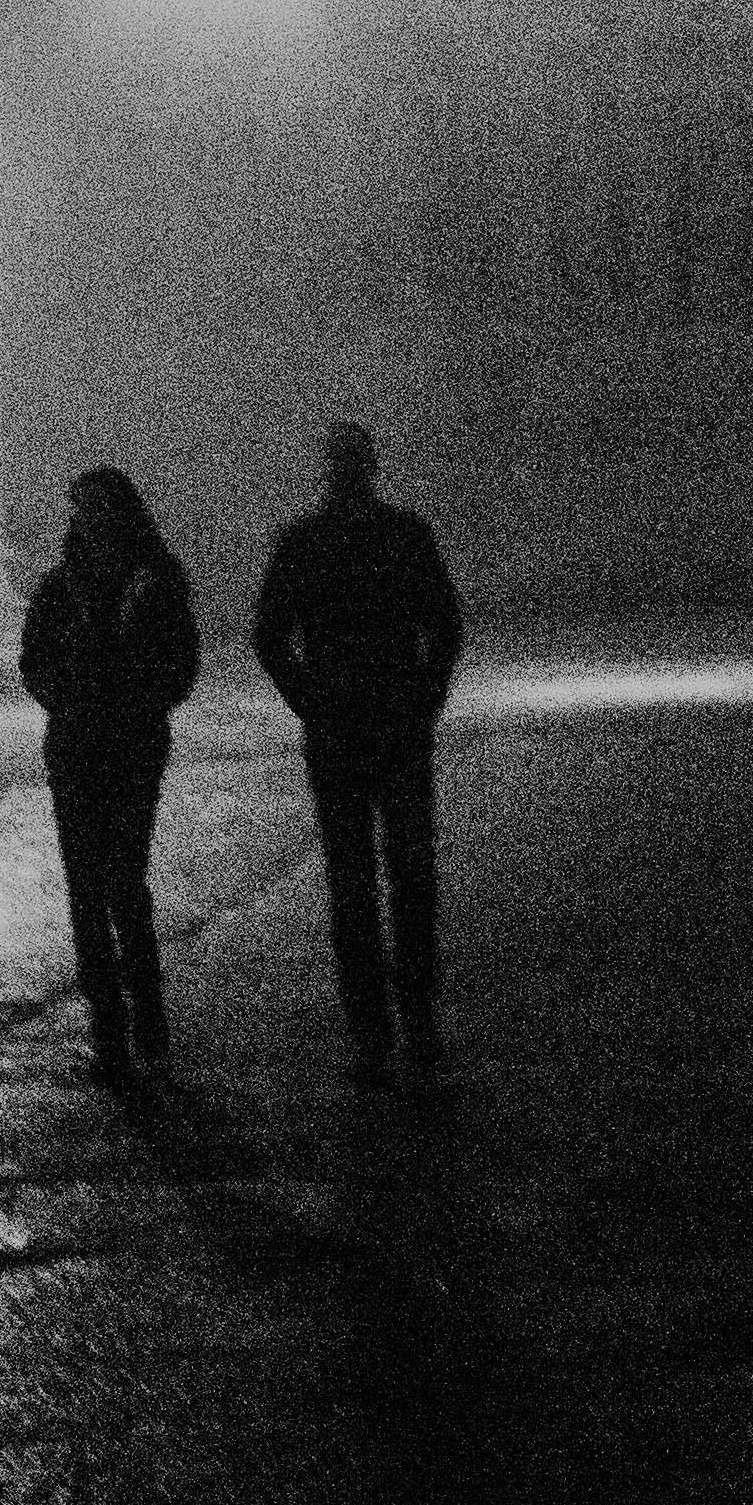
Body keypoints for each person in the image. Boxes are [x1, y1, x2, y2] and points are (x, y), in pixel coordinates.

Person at [251, 417, 464, 1077]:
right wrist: (425, 697)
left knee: (352, 881)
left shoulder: (303, 541)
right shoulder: (405, 535)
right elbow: (445, 623)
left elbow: (268, 634)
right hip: (396, 723)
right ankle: (418, 1022)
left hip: (338, 726)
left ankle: (370, 1033)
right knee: (410, 876)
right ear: (373, 467)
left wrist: (308, 698)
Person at [18, 461, 202, 1090]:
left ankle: (145, 1015)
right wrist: (63, 699)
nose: (87, 518)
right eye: (80, 507)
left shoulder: (152, 583)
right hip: (75, 745)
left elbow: (183, 660)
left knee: (122, 879)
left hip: (129, 744)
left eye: (96, 507)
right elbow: (33, 660)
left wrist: (144, 701)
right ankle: (108, 1025)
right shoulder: (60, 588)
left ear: (119, 513)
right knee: (86, 889)